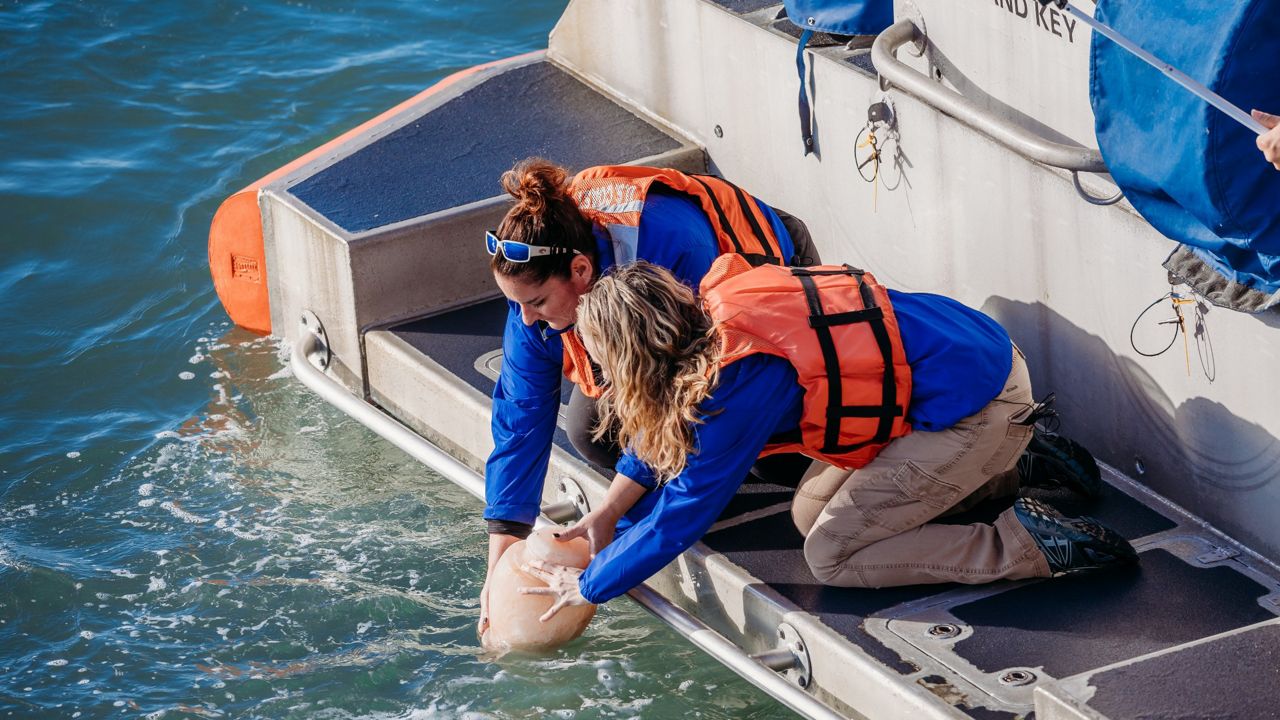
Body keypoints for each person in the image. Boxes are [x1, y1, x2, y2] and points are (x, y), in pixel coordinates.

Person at [517, 259, 1137, 613]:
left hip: (976, 404)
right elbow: (661, 441)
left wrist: (590, 586)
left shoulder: (736, 383)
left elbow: (683, 514)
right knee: (810, 511)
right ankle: (1014, 463)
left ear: (634, 353)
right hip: (972, 364)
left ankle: (1029, 545)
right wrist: (607, 513)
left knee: (833, 555)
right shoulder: (712, 315)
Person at [478, 157, 819, 639]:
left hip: (746, 301)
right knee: (591, 431)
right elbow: (521, 413)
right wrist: (500, 564)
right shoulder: (537, 279)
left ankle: (728, 464)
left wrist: (606, 554)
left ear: (580, 271)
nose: (526, 320)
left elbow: (690, 391)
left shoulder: (676, 252)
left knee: (771, 457)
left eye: (534, 305)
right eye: (515, 304)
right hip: (646, 332)